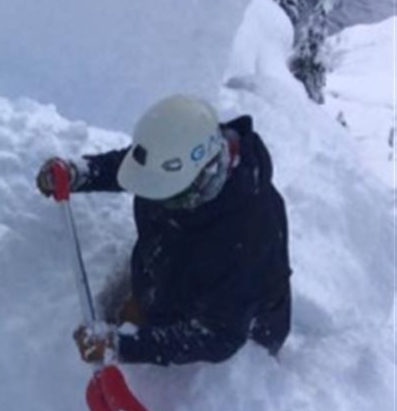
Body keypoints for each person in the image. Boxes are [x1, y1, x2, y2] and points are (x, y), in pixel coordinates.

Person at [36, 95, 291, 366]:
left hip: (232, 331)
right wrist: (81, 173)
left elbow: (220, 336)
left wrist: (124, 347)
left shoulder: (249, 236)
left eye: (164, 193)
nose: (153, 199)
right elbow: (141, 165)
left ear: (201, 174)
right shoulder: (178, 158)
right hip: (172, 275)